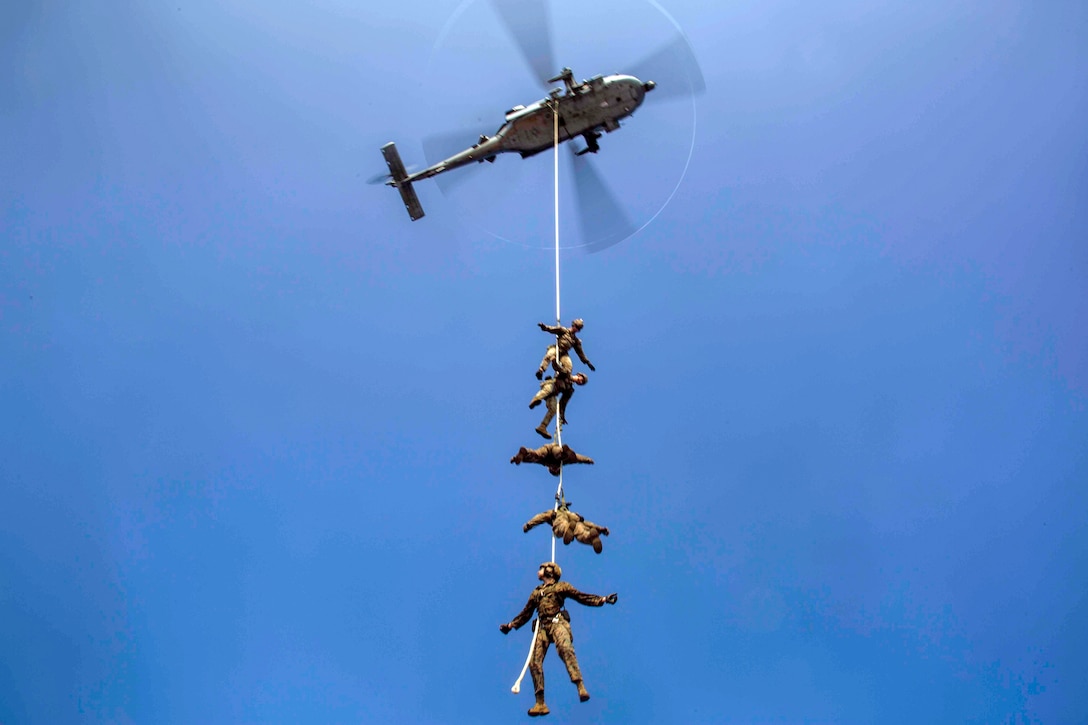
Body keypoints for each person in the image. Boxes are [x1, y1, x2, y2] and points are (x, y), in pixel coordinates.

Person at [500, 562, 618, 716]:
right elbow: (526, 613)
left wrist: (601, 600)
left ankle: (580, 686)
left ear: (549, 571)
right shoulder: (536, 593)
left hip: (557, 622)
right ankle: (540, 703)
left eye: (541, 568)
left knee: (565, 648)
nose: (538, 571)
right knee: (534, 662)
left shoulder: (561, 587)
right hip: (542, 627)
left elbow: (580, 596)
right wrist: (510, 626)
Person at [524, 504, 610, 554]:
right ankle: (568, 532)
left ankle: (590, 537)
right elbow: (540, 517)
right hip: (560, 524)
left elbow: (587, 523)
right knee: (565, 523)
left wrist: (599, 529)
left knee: (580, 527)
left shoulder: (572, 515)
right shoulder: (555, 512)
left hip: (573, 525)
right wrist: (528, 525)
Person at [529, 371, 587, 439]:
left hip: (553, 394)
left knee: (554, 409)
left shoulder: (570, 389)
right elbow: (559, 367)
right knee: (548, 390)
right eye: (582, 379)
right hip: (551, 384)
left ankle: (542, 427)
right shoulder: (566, 373)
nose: (580, 382)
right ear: (579, 375)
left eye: (582, 382)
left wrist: (562, 416)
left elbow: (563, 402)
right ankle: (535, 400)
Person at [510, 443, 594, 476]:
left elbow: (533, 460)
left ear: (550, 469)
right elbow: (578, 459)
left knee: (537, 456)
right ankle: (565, 452)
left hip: (550, 451)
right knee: (564, 457)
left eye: (553, 470)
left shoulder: (545, 463)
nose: (554, 468)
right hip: (552, 449)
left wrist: (517, 459)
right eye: (556, 470)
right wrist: (587, 460)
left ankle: (525, 452)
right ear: (558, 469)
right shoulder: (562, 463)